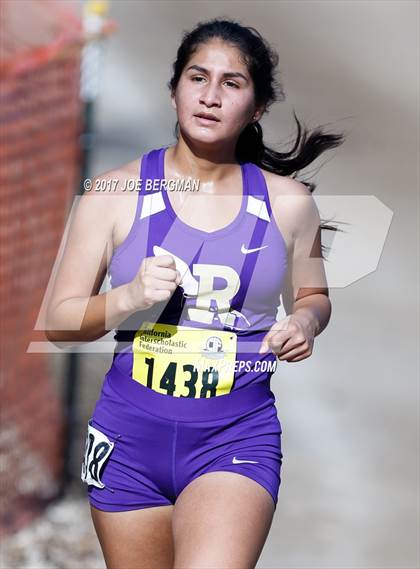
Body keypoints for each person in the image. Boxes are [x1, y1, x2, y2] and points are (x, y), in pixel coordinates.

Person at [46, 18, 344, 569]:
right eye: (197, 77)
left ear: (256, 108)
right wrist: (129, 296)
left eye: (231, 84)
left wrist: (303, 323)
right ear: (174, 89)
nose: (209, 96)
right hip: (128, 440)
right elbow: (60, 324)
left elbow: (314, 297)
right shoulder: (114, 195)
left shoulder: (288, 204)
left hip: (235, 437)